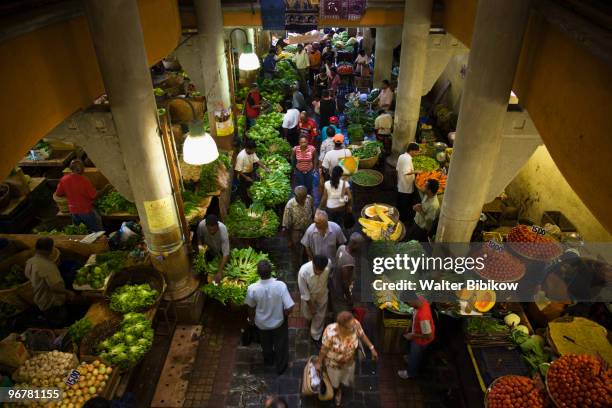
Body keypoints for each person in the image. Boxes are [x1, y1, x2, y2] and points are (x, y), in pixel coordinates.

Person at [316, 311, 378, 406]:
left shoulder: (355, 324)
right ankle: (337, 391)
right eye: (350, 328)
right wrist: (319, 363)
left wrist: (372, 348)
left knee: (344, 378)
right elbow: (323, 350)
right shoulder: (330, 332)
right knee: (335, 381)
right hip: (334, 365)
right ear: (340, 327)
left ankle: (340, 388)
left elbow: (362, 335)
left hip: (349, 363)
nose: (353, 328)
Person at [244, 260, 294, 375]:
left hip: (261, 324)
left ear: (258, 273)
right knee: (280, 344)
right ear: (271, 271)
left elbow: (250, 307)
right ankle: (281, 367)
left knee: (265, 344)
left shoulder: (252, 288)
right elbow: (290, 307)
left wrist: (251, 320)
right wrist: (285, 314)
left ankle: (269, 361)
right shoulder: (280, 286)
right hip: (278, 323)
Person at [24, 238, 75, 327]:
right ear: (50, 250)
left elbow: (27, 275)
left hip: (41, 301)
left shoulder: (30, 261)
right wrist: (68, 292)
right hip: (52, 303)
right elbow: (54, 287)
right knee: (61, 321)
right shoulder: (48, 265)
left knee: (51, 320)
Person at [55, 159, 104, 232]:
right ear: (80, 169)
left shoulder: (64, 179)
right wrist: (104, 190)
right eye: (83, 168)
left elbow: (58, 194)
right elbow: (94, 196)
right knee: (97, 231)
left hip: (73, 211)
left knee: (80, 231)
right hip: (86, 210)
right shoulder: (84, 180)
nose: (84, 169)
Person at [398, 293, 435, 379]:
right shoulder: (420, 299)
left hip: (421, 341)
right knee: (413, 354)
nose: (408, 305)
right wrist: (409, 326)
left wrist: (413, 335)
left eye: (407, 303)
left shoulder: (423, 317)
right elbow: (414, 314)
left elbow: (428, 336)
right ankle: (410, 357)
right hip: (418, 334)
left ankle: (410, 373)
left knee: (415, 357)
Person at [298, 254, 331, 344]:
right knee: (308, 314)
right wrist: (311, 306)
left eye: (321, 271)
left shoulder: (329, 264)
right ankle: (309, 322)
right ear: (312, 263)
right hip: (310, 294)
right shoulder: (303, 272)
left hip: (322, 292)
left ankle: (315, 336)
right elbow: (304, 292)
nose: (319, 273)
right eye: (317, 271)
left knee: (320, 315)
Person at [330, 233, 365, 314]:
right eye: (360, 245)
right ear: (354, 244)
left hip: (334, 286)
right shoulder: (348, 261)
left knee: (337, 312)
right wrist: (349, 298)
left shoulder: (341, 248)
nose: (360, 248)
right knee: (343, 316)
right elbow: (345, 282)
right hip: (341, 293)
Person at [282, 186, 314, 269]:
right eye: (301, 198)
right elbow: (285, 226)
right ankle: (297, 268)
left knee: (308, 250)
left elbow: (312, 211)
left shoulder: (309, 198)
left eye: (304, 197)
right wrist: (289, 241)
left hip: (308, 229)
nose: (303, 200)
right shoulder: (290, 205)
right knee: (296, 252)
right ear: (295, 196)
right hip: (296, 232)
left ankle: (306, 265)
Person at [196, 214, 230, 283]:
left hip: (219, 249)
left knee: (222, 261)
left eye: (214, 230)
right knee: (208, 263)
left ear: (217, 225)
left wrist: (220, 272)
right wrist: (200, 246)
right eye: (209, 230)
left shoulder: (223, 230)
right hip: (209, 248)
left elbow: (226, 253)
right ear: (206, 226)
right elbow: (199, 236)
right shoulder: (201, 225)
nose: (211, 232)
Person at [235, 140, 268, 205]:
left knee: (249, 186)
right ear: (247, 149)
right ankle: (245, 201)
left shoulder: (252, 152)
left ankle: (249, 197)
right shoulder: (241, 156)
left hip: (249, 171)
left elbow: (257, 160)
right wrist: (246, 177)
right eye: (253, 150)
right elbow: (237, 170)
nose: (254, 151)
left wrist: (265, 168)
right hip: (243, 175)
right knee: (243, 189)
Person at [396, 142, 421, 224]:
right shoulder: (408, 159)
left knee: (400, 202)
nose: (417, 154)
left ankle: (398, 215)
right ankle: (403, 220)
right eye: (417, 152)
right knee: (405, 204)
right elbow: (406, 172)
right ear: (412, 151)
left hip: (400, 183)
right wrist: (417, 171)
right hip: (406, 186)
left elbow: (397, 169)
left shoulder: (401, 156)